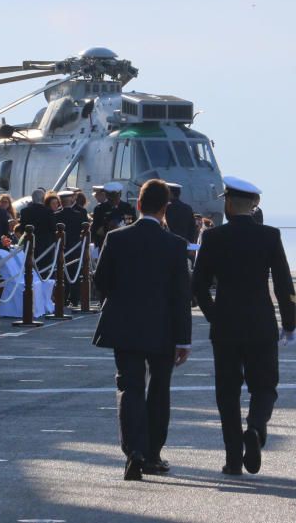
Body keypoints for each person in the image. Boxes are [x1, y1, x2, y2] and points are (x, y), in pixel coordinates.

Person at [192, 176, 296, 476]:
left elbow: (198, 286)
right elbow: (283, 284)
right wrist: (289, 324)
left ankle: (233, 460)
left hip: (225, 326)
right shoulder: (269, 236)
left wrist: (215, 315)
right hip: (261, 323)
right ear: (255, 205)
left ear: (227, 204)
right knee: (264, 386)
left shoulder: (212, 239)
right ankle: (255, 428)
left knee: (227, 393)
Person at [92, 179, 191, 480]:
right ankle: (152, 454)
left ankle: (133, 451)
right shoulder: (175, 245)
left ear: (137, 205)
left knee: (130, 388)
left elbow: (101, 283)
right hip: (163, 328)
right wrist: (183, 339)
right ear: (165, 209)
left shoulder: (116, 238)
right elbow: (181, 296)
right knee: (159, 390)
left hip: (124, 325)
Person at [19, 188, 56, 264]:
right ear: (43, 198)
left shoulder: (24, 211)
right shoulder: (48, 211)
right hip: (45, 245)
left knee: (29, 268)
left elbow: (22, 229)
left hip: (29, 244)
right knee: (44, 268)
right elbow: (53, 228)